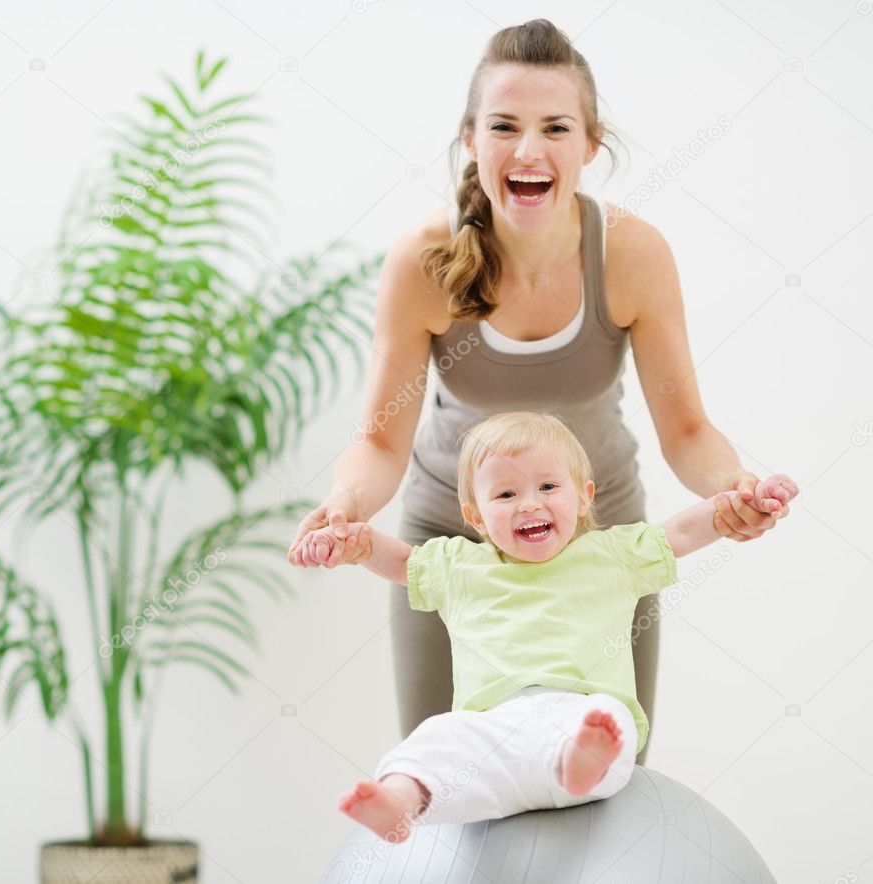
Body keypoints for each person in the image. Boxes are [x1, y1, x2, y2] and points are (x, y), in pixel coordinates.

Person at [287, 19, 791, 766]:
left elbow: (686, 430)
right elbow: (382, 439)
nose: (528, 150)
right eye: (504, 126)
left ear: (590, 144)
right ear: (471, 140)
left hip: (599, 544)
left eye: (556, 127)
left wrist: (736, 488)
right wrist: (344, 505)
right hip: (452, 543)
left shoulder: (631, 254)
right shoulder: (422, 262)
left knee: (601, 778)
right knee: (446, 777)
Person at [292, 412, 798, 841]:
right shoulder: (458, 565)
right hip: (490, 730)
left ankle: (581, 763)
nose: (530, 503)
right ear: (475, 515)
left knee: (611, 721)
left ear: (584, 497)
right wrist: (352, 543)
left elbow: (685, 530)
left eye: (548, 487)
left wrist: (741, 501)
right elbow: (397, 560)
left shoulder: (612, 554)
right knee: (438, 738)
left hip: (581, 712)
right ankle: (400, 801)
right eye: (506, 493)